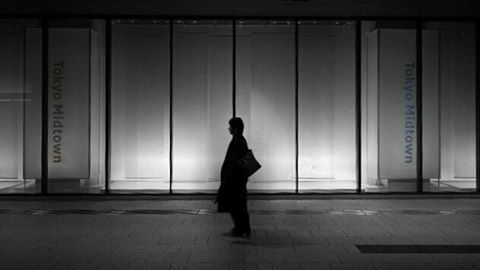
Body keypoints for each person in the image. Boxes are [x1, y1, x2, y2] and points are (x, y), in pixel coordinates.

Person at [216, 117, 251, 238]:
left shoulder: (237, 142)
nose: (228, 128)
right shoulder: (240, 140)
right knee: (239, 205)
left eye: (230, 126)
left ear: (235, 129)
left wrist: (227, 178)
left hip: (234, 180)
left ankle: (240, 229)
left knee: (235, 205)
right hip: (238, 179)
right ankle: (243, 228)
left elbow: (233, 162)